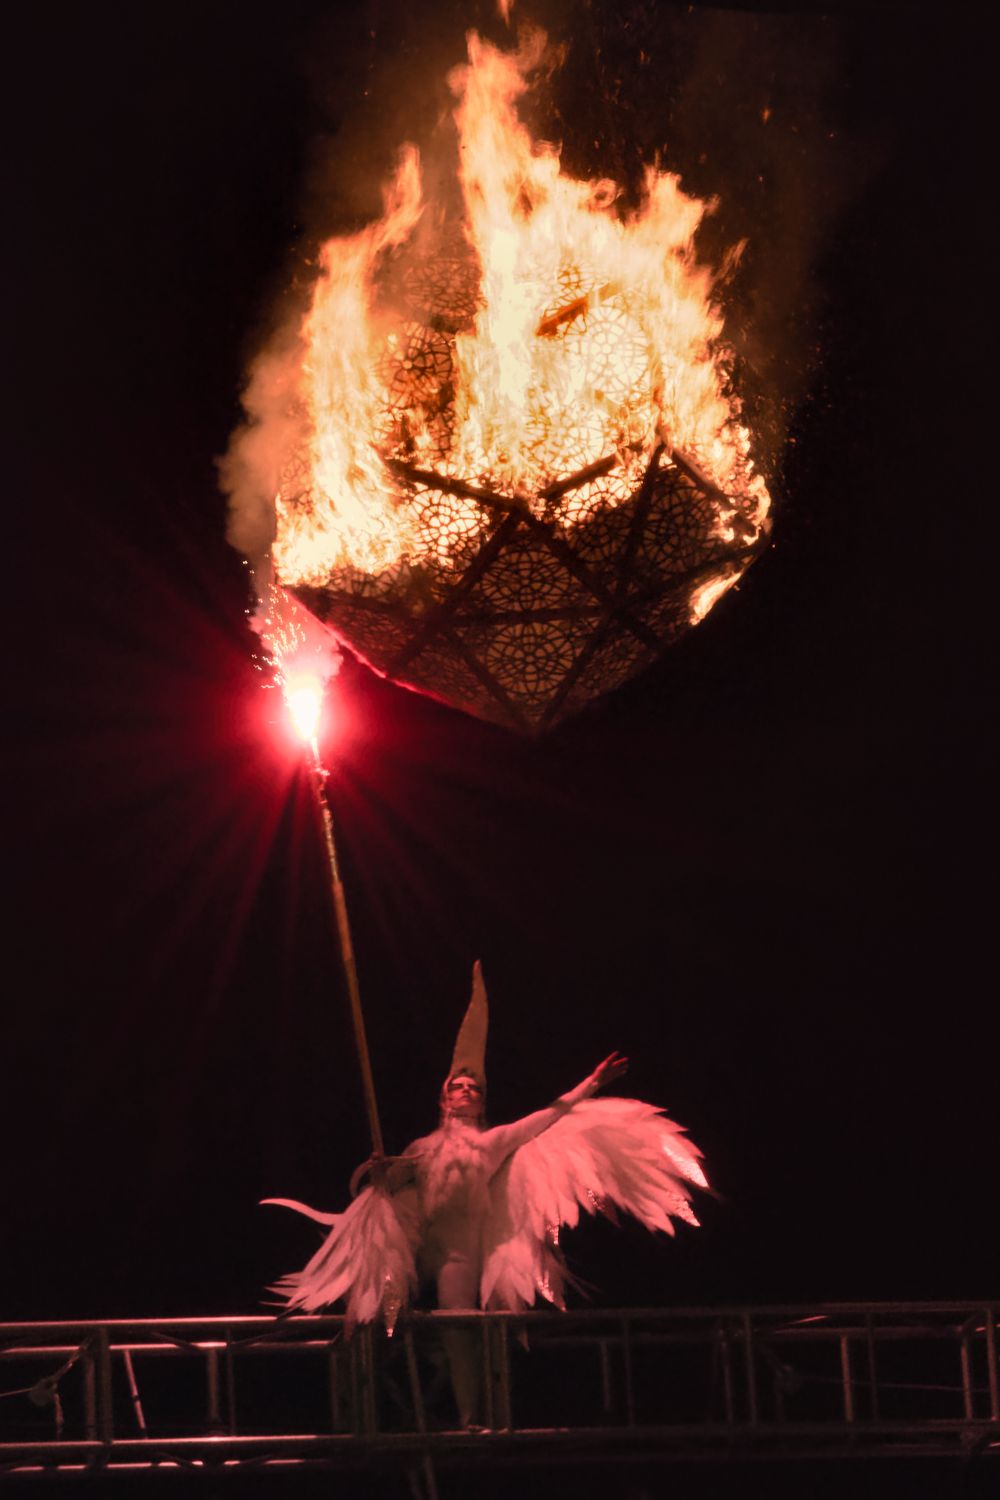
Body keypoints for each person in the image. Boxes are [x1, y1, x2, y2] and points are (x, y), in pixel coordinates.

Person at [265, 962, 706, 1428]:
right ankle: (370, 1392)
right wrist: (381, 1171)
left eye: (473, 1087)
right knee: (379, 1306)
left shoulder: (492, 1144)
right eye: (457, 1086)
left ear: (482, 1099)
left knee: (458, 1324)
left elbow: (547, 1115)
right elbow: (390, 1188)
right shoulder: (422, 1147)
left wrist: (593, 1083)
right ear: (444, 1099)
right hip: (418, 1244)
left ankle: (469, 1413)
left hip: (460, 1254)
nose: (466, 1090)